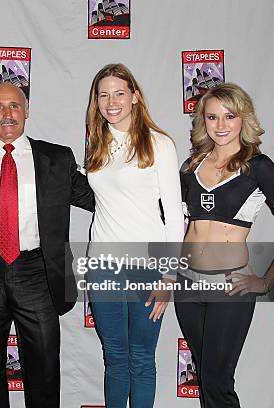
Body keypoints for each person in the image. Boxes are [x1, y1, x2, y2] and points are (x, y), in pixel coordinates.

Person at [0, 82, 94, 408]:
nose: (7, 114)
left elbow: (99, 199)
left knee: (44, 369)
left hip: (38, 272)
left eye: (15, 106)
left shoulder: (57, 158)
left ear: (27, 111)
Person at [175, 83, 274, 408]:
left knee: (219, 383)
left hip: (229, 287)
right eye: (212, 117)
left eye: (229, 116)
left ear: (243, 119)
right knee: (206, 377)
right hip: (187, 285)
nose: (220, 125)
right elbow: (174, 225)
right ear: (202, 121)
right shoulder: (190, 166)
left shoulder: (258, 166)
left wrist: (265, 281)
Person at [84, 64, 184, 408]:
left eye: (119, 93)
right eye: (103, 95)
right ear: (96, 101)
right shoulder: (97, 144)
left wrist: (169, 275)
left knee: (141, 358)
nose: (111, 102)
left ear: (135, 97)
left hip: (147, 267)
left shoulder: (160, 144)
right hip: (102, 267)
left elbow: (174, 215)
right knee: (115, 357)